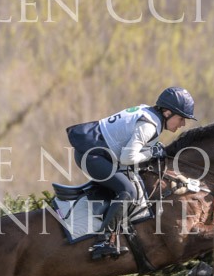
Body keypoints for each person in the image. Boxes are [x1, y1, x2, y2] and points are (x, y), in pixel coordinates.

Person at [66, 86, 197, 260]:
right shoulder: (149, 126)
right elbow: (127, 158)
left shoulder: (148, 113)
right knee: (128, 190)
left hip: (98, 152)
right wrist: (152, 153)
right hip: (92, 157)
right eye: (181, 118)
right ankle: (103, 241)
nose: (183, 124)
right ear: (167, 112)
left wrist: (152, 151)